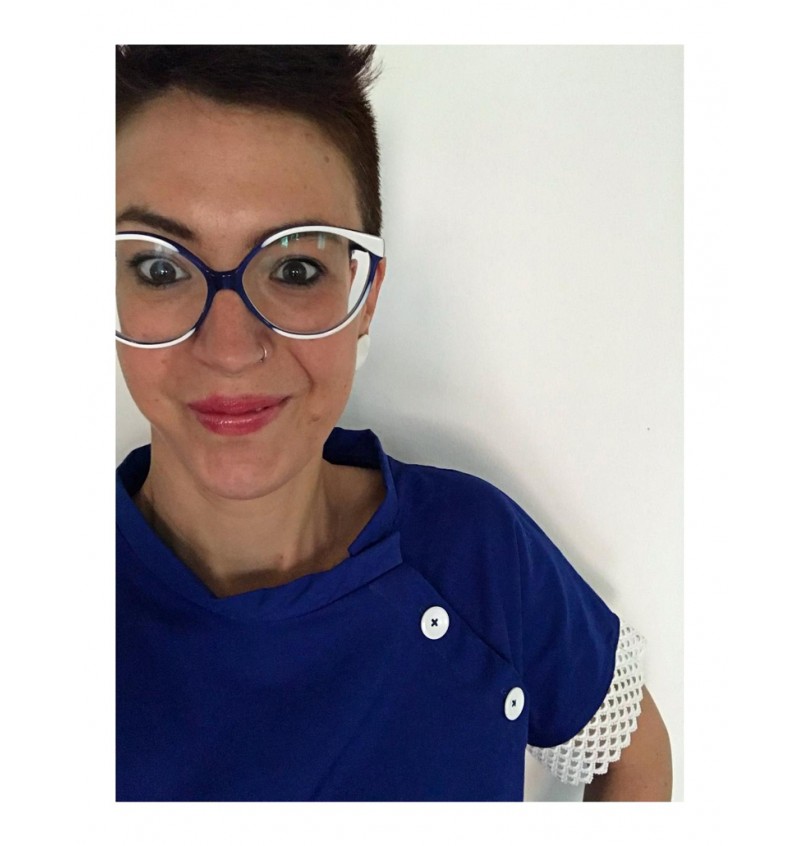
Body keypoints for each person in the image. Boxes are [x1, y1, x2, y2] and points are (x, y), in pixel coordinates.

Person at [116, 45, 672, 801]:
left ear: (366, 296)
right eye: (160, 268)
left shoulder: (475, 552)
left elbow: (633, 755)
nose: (231, 349)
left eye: (295, 269)